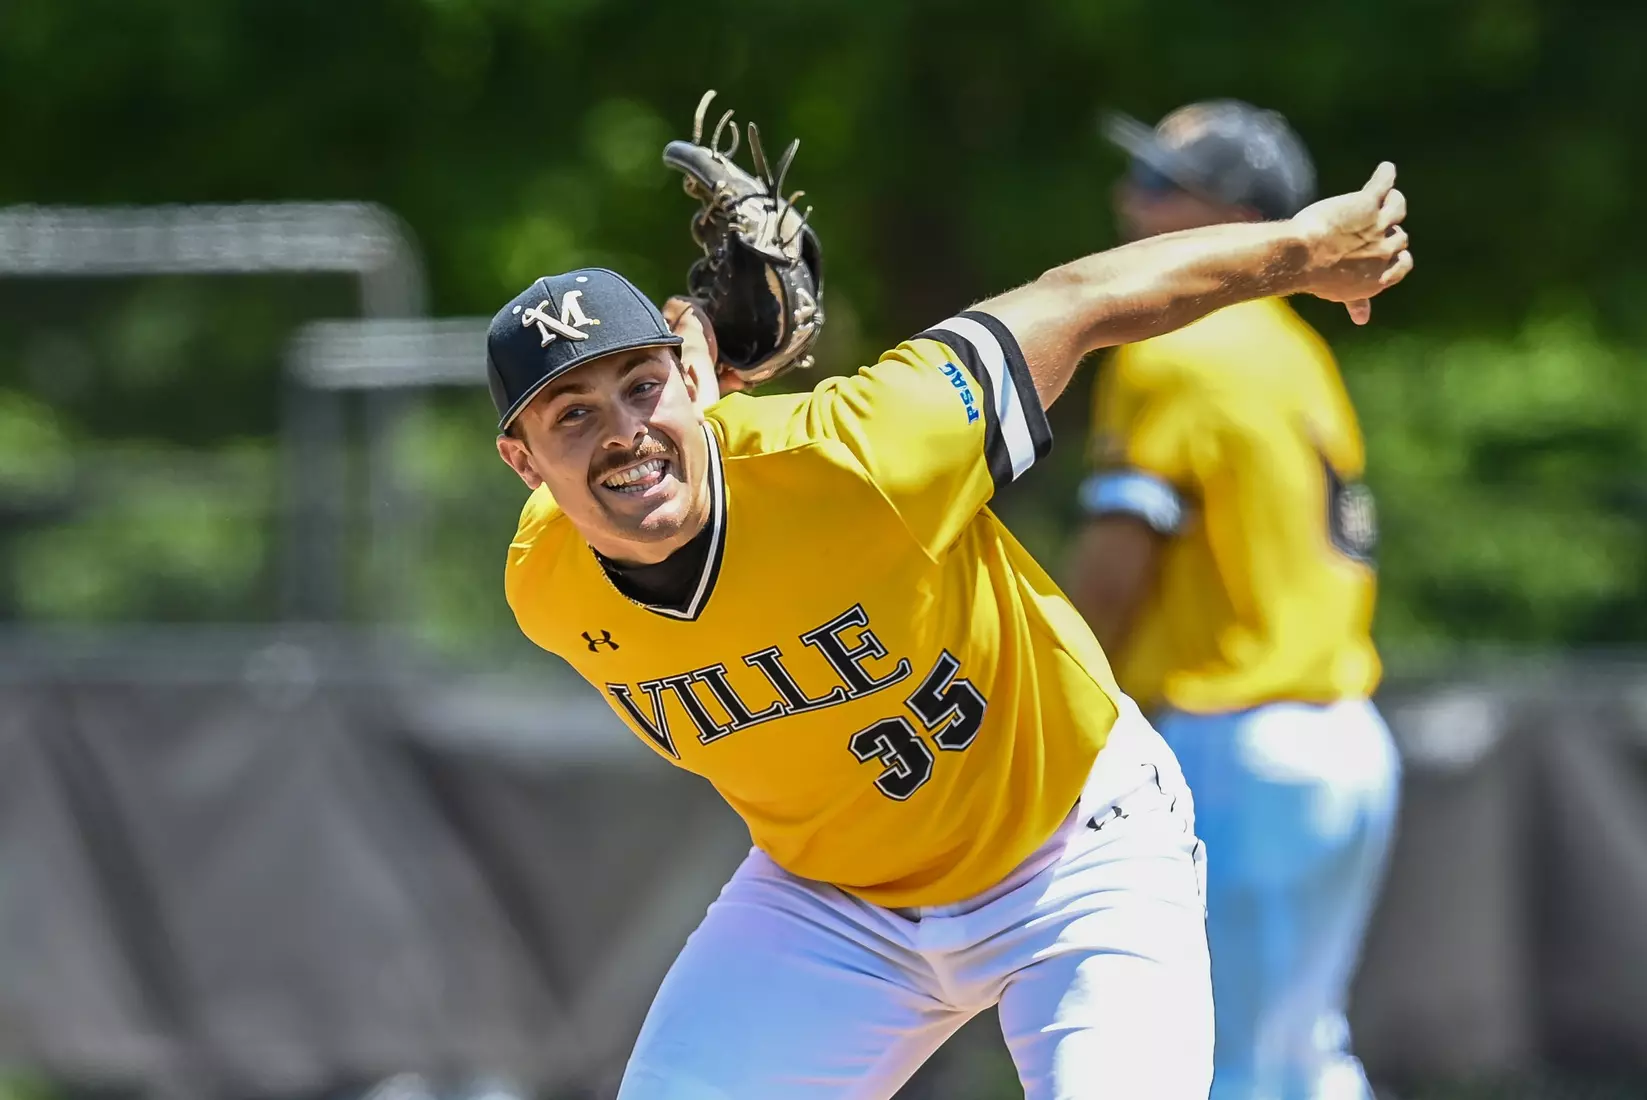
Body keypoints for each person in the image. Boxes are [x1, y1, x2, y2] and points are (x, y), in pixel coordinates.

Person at [489, 159, 1410, 1099]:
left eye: (642, 386)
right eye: (573, 413)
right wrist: (696, 362)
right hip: (833, 904)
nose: (622, 432)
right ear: (523, 463)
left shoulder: (866, 452)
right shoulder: (544, 579)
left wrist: (1301, 250)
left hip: (1072, 853)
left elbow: (1081, 298)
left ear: (690, 382)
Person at [1067, 101, 1404, 1100]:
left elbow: (1120, 557)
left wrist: (1059, 703)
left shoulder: (1179, 344)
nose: (1130, 198)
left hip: (1235, 743)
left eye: (1163, 183)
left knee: (1216, 1067)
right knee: (1300, 1056)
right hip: (1342, 741)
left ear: (1236, 213)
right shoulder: (1295, 346)